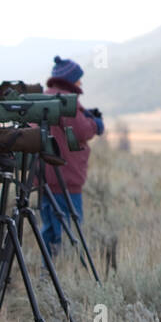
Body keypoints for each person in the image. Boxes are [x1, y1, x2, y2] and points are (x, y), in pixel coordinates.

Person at [39, 56, 103, 257]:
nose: (80, 83)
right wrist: (96, 123)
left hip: (42, 178)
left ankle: (46, 274)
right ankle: (67, 274)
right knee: (70, 233)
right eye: (78, 79)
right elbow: (82, 131)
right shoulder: (67, 103)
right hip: (66, 177)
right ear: (70, 80)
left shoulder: (42, 99)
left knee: (49, 229)